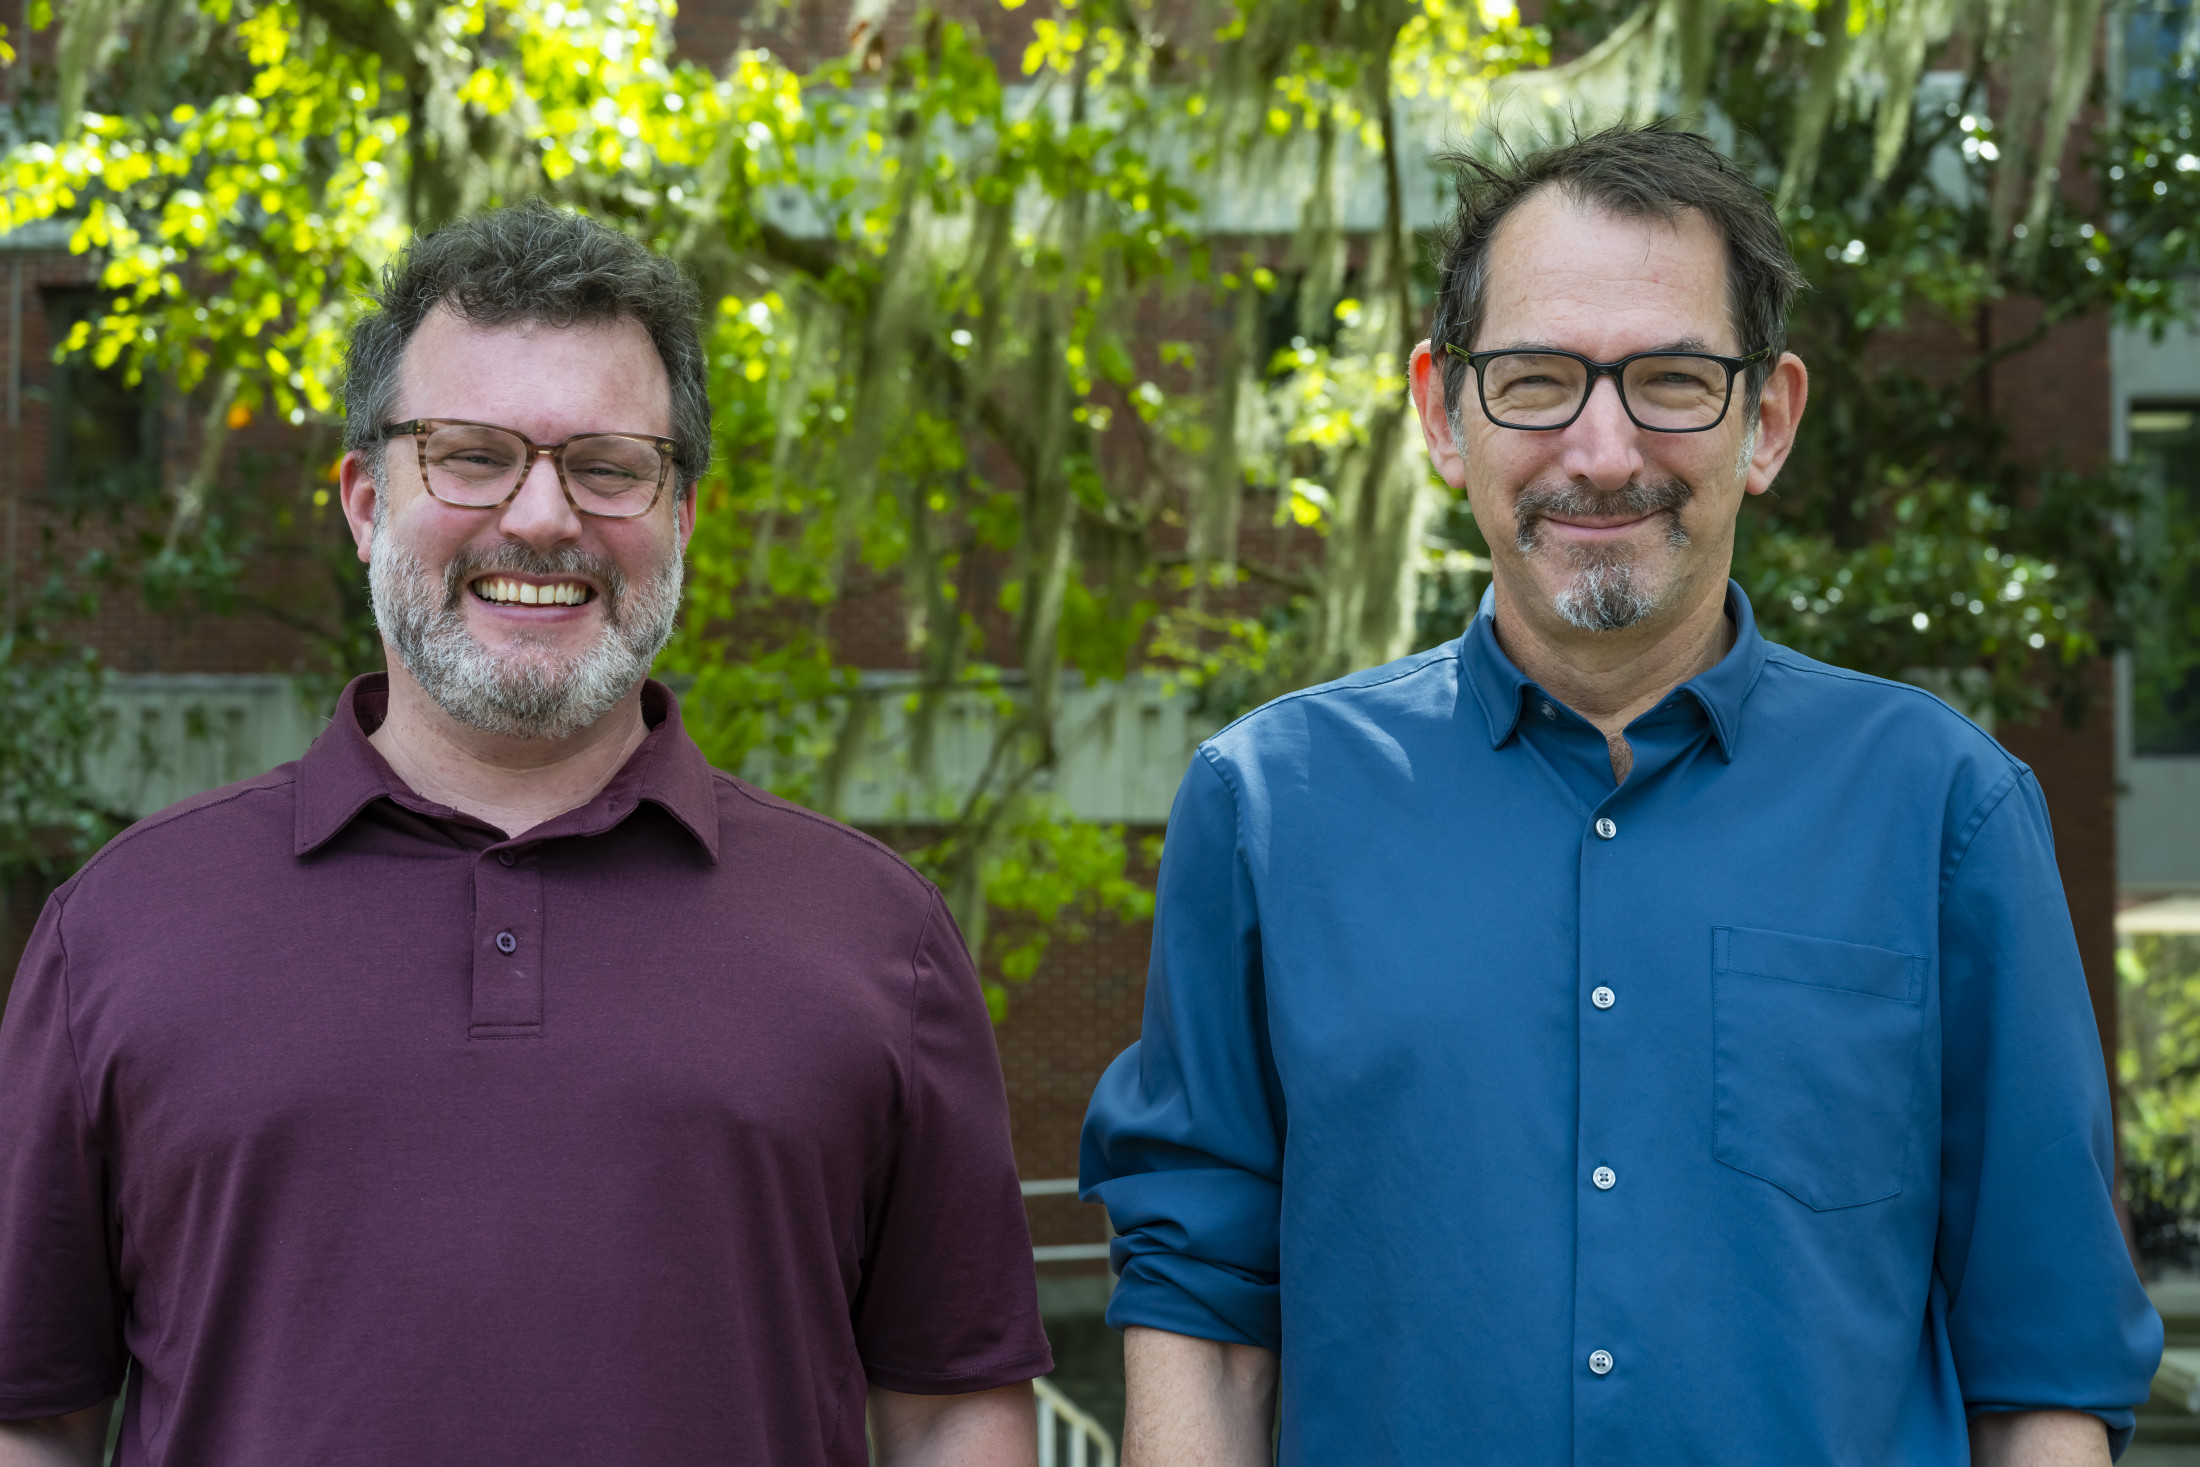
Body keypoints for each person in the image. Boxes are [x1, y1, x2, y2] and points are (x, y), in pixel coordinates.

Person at [1080, 123, 2161, 1466]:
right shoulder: (1265, 809)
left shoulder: (1947, 810)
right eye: (1536, 380)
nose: (1600, 450)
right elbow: (1206, 1311)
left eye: (1670, 379)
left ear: (1765, 420)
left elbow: (2042, 1358)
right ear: (1443, 411)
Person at [0, 201, 1050, 1467]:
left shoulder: (880, 937)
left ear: (681, 517)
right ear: (362, 502)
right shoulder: (121, 929)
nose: (544, 519)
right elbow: (31, 1418)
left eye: (608, 465)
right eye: (471, 454)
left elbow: (952, 1410)